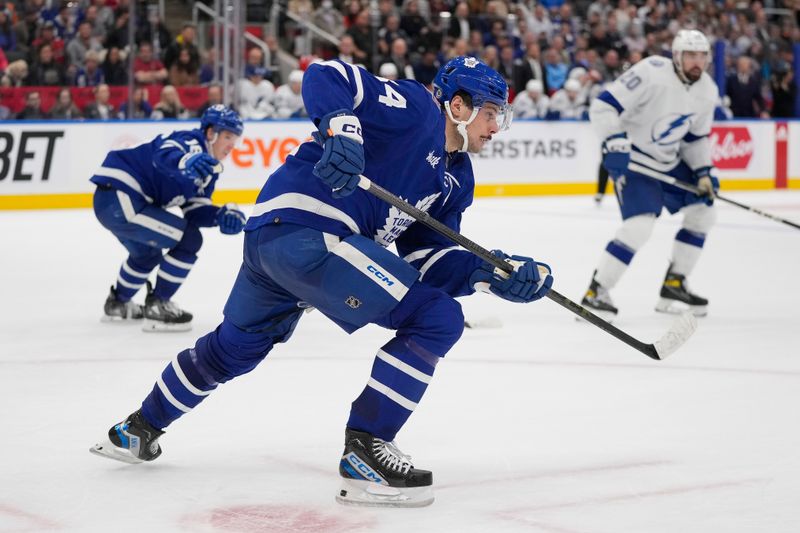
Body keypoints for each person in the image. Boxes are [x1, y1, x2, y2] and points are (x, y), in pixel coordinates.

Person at [89, 57, 553, 508]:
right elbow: (328, 75)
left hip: (275, 241)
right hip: (311, 232)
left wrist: (490, 273)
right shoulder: (415, 108)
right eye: (491, 112)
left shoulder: (455, 178)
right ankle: (366, 451)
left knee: (234, 348)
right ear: (458, 105)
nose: (496, 127)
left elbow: (429, 259)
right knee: (437, 318)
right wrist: (342, 130)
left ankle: (137, 429)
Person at [580, 29, 719, 320]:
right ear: (677, 56)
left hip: (669, 161)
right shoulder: (651, 71)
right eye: (690, 55)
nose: (697, 61)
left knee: (703, 213)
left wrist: (703, 172)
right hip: (636, 160)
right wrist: (614, 141)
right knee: (639, 226)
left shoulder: (707, 90)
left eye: (702, 56)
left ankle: (675, 282)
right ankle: (597, 291)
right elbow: (603, 106)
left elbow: (695, 139)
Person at [88, 105, 245, 331]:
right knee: (189, 240)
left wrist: (221, 216)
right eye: (228, 136)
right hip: (121, 197)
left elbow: (194, 211)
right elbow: (165, 153)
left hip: (115, 201)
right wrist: (184, 161)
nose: (232, 145)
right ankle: (158, 305)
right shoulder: (192, 142)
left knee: (146, 255)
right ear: (211, 133)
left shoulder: (207, 172)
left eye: (236, 139)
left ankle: (118, 304)